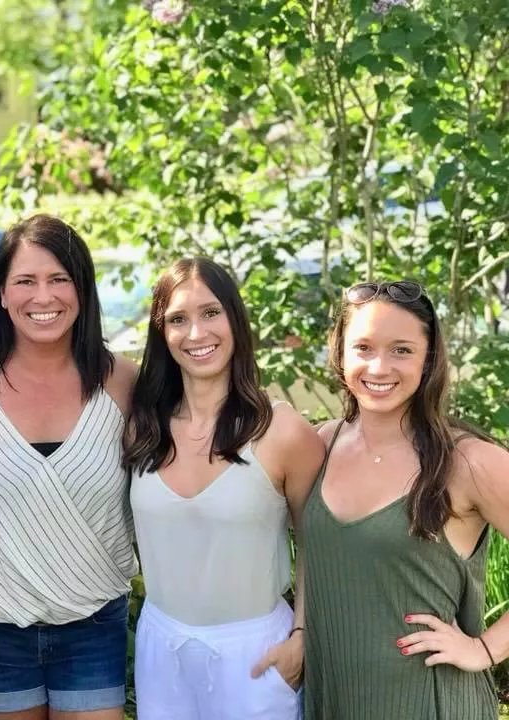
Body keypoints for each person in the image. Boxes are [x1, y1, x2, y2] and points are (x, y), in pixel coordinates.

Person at [0, 214, 139, 720]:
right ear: (0, 293)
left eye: (59, 279)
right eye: (25, 281)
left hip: (92, 620)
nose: (43, 297)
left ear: (82, 290)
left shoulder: (123, 381)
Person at [123, 257, 324, 719]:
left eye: (211, 313)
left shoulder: (283, 432)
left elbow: (320, 546)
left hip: (256, 653)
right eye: (178, 319)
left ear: (235, 319)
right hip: (162, 646)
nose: (197, 333)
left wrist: (302, 637)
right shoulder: (142, 428)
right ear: (162, 333)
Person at [302, 280, 509, 719]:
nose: (379, 366)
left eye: (401, 349)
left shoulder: (467, 461)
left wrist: (485, 649)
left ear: (428, 358)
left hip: (431, 702)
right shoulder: (320, 444)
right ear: (340, 353)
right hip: (335, 700)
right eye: (363, 347)